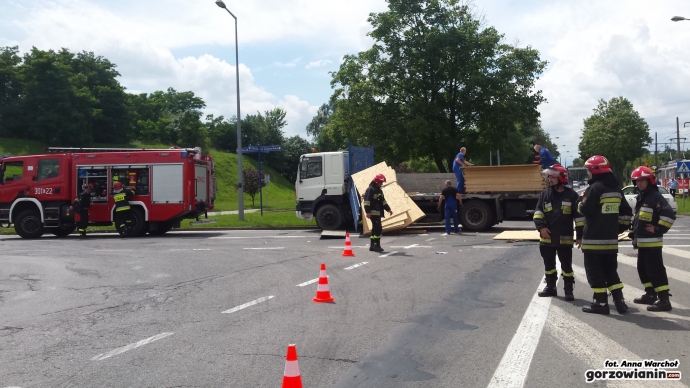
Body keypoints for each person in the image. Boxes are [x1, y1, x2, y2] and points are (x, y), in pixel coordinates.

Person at [579, 155, 633, 315]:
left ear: (595, 171)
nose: (588, 173)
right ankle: (619, 301)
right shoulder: (616, 189)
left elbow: (585, 210)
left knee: (594, 272)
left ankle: (600, 303)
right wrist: (617, 229)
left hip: (593, 241)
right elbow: (626, 213)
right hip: (610, 241)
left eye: (589, 170)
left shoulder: (595, 188)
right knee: (610, 271)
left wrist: (581, 201)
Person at [533, 165, 583, 301]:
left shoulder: (572, 195)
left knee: (566, 266)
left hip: (564, 238)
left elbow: (579, 218)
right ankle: (550, 287)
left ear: (561, 178)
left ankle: (568, 290)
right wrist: (541, 227)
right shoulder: (545, 194)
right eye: (549, 177)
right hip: (546, 238)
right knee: (549, 266)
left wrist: (580, 236)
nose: (550, 179)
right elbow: (538, 213)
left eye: (552, 177)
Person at [629, 166, 676, 312]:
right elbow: (638, 219)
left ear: (649, 181)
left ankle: (664, 300)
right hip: (643, 242)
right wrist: (632, 232)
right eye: (637, 181)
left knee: (655, 270)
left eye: (642, 180)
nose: (639, 184)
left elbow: (669, 214)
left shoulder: (655, 196)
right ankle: (650, 294)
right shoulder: (642, 197)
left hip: (652, 242)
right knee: (643, 269)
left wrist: (658, 229)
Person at [364, 174, 393, 252]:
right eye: (381, 182)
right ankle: (377, 245)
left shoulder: (379, 190)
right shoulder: (370, 189)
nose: (382, 184)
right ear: (376, 181)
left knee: (375, 228)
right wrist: (368, 211)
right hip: (373, 213)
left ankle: (372, 246)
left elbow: (383, 201)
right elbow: (367, 201)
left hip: (378, 213)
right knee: (378, 228)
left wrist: (388, 209)